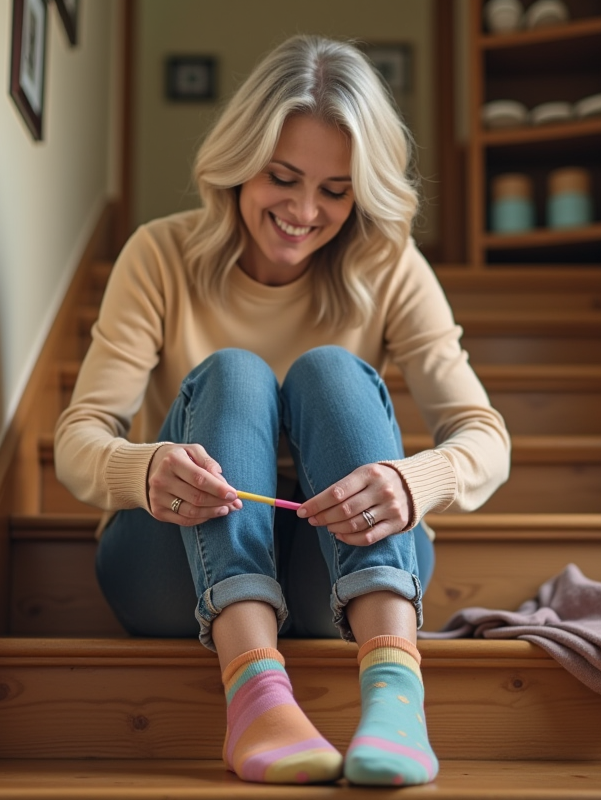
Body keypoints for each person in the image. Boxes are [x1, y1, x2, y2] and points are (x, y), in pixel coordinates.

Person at [54, 34, 510, 787]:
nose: (304, 211)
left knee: (331, 370)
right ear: (240, 163)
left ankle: (396, 690)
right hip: (173, 571)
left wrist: (414, 482)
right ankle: (256, 692)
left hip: (337, 574)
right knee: (235, 372)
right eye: (283, 178)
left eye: (336, 191)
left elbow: (485, 435)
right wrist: (144, 470)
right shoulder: (158, 254)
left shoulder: (389, 265)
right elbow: (77, 439)